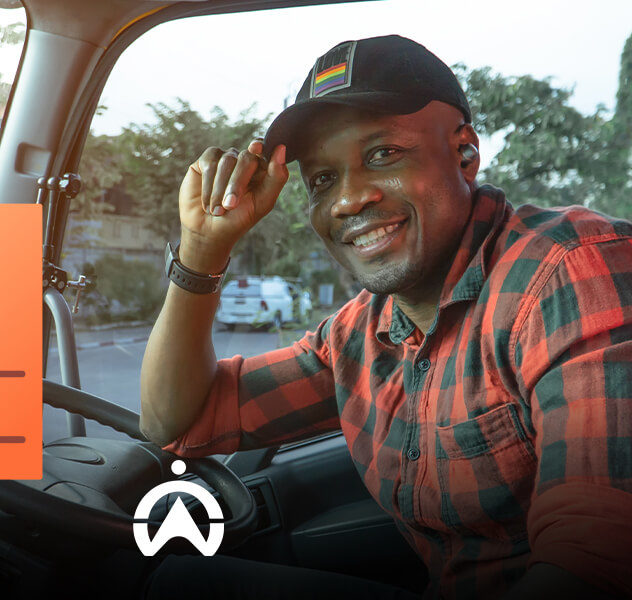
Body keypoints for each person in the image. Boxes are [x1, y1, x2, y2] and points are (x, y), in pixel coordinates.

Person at [138, 35, 632, 600]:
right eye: (322, 179)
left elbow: (595, 569)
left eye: (382, 155)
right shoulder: (360, 334)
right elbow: (174, 419)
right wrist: (202, 251)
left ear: (465, 153)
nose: (347, 200)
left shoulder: (570, 272)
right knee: (175, 581)